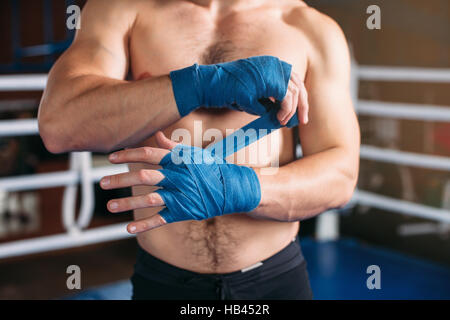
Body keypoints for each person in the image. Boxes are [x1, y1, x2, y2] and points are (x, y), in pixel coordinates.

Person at [38, 0, 360, 299]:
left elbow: (341, 174)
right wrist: (198, 85)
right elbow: (59, 124)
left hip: (272, 283)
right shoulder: (123, 9)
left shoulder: (307, 28)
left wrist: (238, 189)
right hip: (164, 283)